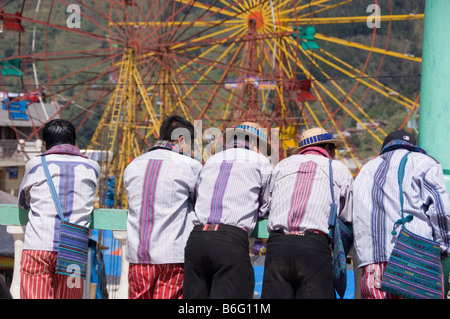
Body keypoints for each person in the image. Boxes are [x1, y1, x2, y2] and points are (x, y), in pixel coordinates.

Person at [353, 129, 450, 299]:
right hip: (415, 257)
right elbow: (442, 211)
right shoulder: (423, 162)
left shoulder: (365, 170)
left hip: (372, 262)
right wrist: (443, 248)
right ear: (412, 146)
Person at [261, 127, 353, 299]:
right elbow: (347, 214)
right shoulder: (338, 169)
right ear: (327, 149)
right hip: (314, 246)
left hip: (277, 244)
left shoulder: (282, 165)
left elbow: (268, 202)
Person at [183, 122, 273, 299]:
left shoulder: (211, 160)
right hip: (230, 241)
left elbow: (198, 196)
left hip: (196, 239)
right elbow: (267, 204)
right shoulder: (260, 162)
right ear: (255, 145)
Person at [18, 119, 100, 299]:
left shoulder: (35, 165)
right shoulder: (92, 167)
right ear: (75, 143)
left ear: (45, 145)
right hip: (74, 248)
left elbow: (23, 202)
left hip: (38, 246)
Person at [124, 115, 202, 299]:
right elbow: (201, 205)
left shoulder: (133, 165)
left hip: (138, 256)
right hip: (172, 257)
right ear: (181, 139)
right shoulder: (191, 166)